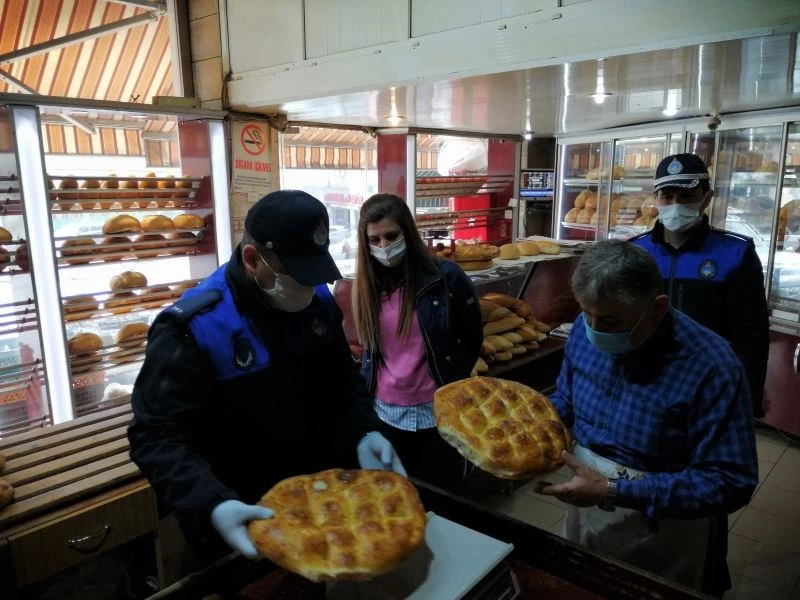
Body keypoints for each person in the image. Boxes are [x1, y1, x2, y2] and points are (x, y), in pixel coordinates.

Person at [128, 190, 404, 564]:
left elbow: (341, 379)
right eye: (297, 274)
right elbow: (157, 437)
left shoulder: (316, 302)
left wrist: (363, 430)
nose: (309, 288)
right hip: (244, 514)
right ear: (252, 259)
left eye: (314, 274)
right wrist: (210, 504)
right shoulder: (194, 329)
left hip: (322, 503)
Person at [539, 240, 758, 592]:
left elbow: (731, 481)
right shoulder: (585, 329)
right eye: (587, 314)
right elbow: (567, 396)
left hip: (663, 526)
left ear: (657, 309)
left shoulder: (711, 366)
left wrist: (613, 489)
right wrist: (535, 420)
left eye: (610, 322)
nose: (595, 331)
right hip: (586, 499)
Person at [629, 153, 769, 597]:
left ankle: (704, 583)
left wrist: (745, 402)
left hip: (708, 402)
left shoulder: (733, 253)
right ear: (655, 198)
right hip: (645, 396)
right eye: (666, 194)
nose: (675, 203)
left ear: (706, 195)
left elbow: (751, 336)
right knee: (640, 485)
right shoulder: (636, 252)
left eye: (686, 193)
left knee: (703, 498)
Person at [352, 193, 483, 492]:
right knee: (395, 503)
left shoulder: (446, 277)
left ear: (407, 233)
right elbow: (372, 354)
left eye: (391, 236)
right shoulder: (367, 286)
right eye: (374, 240)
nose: (384, 246)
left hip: (438, 414)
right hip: (385, 415)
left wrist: (453, 378)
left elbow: (472, 337)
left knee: (442, 500)